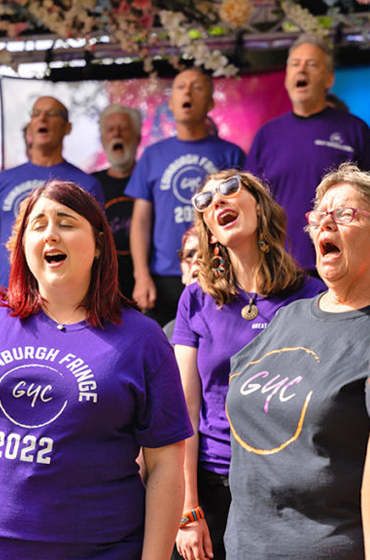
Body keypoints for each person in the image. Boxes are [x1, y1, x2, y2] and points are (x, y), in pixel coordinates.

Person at [0, 180, 193, 559]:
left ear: (100, 243)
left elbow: (166, 464)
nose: (51, 234)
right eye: (38, 225)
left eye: (66, 222)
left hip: (103, 548)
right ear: (23, 247)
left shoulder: (142, 338)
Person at [171, 170, 324, 560]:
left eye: (228, 189)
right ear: (207, 228)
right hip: (212, 483)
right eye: (204, 201)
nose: (216, 201)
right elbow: (182, 411)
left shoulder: (312, 296)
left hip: (286, 484)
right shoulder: (195, 300)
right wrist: (188, 509)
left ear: (259, 203)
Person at [225, 162, 370, 559]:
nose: (326, 224)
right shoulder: (287, 317)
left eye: (345, 213)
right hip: (245, 549)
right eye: (319, 215)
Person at [126, 67, 246, 326]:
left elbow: (245, 216)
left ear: (211, 102)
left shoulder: (232, 154)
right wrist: (142, 275)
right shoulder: (152, 156)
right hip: (165, 278)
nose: (187, 92)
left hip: (222, 272)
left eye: (197, 87)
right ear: (171, 103)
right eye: (180, 87)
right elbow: (141, 222)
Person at [247, 33, 370, 275]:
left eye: (311, 64)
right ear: (286, 78)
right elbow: (251, 204)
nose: (301, 69)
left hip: (341, 263)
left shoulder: (355, 130)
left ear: (328, 79)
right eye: (295, 64)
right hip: (278, 266)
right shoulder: (266, 135)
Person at [0, 95, 104, 288]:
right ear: (30, 126)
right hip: (5, 293)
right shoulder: (4, 180)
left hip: (61, 296)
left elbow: (97, 248)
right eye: (36, 114)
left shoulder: (86, 184)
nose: (42, 119)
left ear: (67, 127)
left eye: (51, 114)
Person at [93, 104, 142, 299]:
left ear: (138, 137)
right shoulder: (90, 184)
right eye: (110, 129)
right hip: (103, 288)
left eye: (124, 128)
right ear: (103, 139)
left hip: (150, 289)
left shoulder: (154, 181)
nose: (116, 134)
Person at [163, 225, 199, 342]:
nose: (196, 261)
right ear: (183, 274)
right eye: (189, 255)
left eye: (206, 253)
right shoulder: (169, 333)